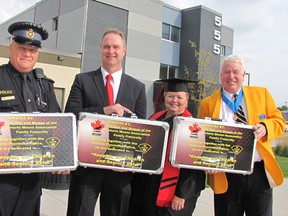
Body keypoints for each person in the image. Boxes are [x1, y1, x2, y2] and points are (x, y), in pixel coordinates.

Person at [65, 28, 147, 216]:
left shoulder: (137, 87)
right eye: (107, 46)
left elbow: (142, 130)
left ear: (124, 50)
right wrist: (103, 111)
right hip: (87, 168)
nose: (111, 51)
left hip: (119, 170)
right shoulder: (83, 80)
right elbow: (71, 115)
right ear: (100, 49)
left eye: (116, 47)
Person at [198, 55, 286, 216]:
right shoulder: (207, 104)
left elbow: (279, 121)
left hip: (258, 174)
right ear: (220, 76)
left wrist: (266, 127)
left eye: (236, 72)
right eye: (226, 72)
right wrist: (208, 162)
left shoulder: (262, 94)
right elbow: (202, 139)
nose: (231, 76)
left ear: (243, 75)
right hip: (225, 175)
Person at [0, 21, 61, 216]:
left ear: (38, 54)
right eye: (22, 48)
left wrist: (61, 158)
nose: (27, 54)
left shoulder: (45, 86)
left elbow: (58, 126)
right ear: (11, 48)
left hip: (33, 178)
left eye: (32, 50)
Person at [128, 78, 206, 216]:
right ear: (164, 98)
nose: (174, 100)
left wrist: (182, 194)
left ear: (187, 100)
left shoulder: (193, 127)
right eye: (170, 96)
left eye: (179, 97)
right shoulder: (155, 118)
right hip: (148, 186)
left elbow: (193, 166)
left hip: (174, 190)